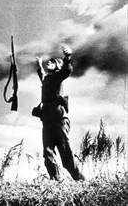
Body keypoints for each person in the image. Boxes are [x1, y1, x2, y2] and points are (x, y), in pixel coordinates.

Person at [33, 46, 84, 181]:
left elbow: (67, 70)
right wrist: (39, 65)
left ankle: (79, 180)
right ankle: (56, 182)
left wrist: (67, 57)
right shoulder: (47, 79)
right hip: (47, 120)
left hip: (59, 119)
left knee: (65, 152)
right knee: (47, 154)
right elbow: (42, 75)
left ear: (58, 66)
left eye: (52, 62)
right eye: (47, 62)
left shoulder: (58, 76)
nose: (48, 63)